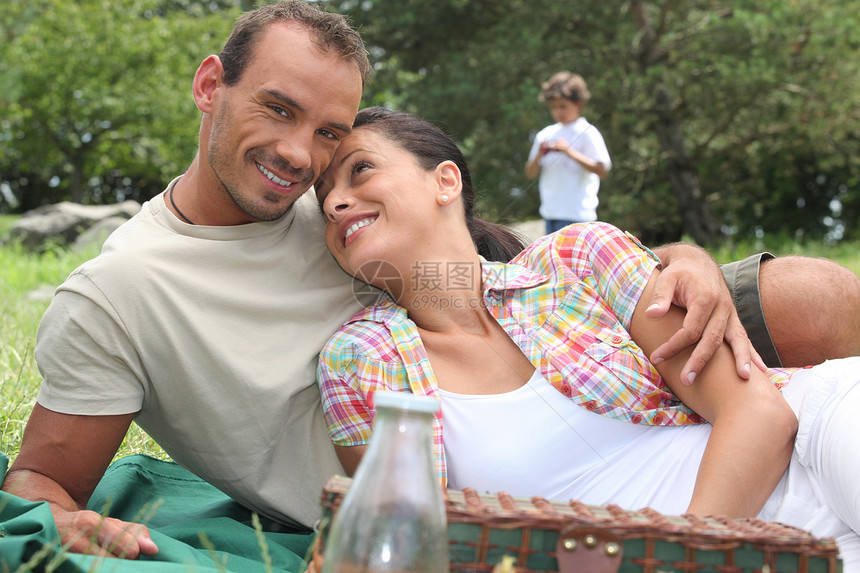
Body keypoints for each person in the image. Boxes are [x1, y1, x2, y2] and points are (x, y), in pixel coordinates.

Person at [1, 0, 857, 564]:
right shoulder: (123, 296)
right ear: (209, 87)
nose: (306, 163)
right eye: (277, 109)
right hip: (475, 419)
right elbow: (40, 483)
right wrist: (60, 522)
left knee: (819, 296)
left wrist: (686, 260)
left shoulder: (329, 197)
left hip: (546, 315)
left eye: (332, 137)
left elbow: (500, 264)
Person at [315, 107, 860, 570]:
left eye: (359, 171)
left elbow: (759, 414)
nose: (337, 202)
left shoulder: (576, 258)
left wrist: (673, 560)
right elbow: (407, 548)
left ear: (445, 181)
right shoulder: (360, 360)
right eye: (324, 199)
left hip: (811, 447)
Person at [525, 71, 611, 235]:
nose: (558, 112)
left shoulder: (588, 132)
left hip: (578, 216)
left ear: (578, 104)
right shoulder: (545, 134)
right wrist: (539, 155)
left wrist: (569, 152)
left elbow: (602, 170)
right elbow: (530, 173)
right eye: (554, 107)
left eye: (563, 106)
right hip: (550, 214)